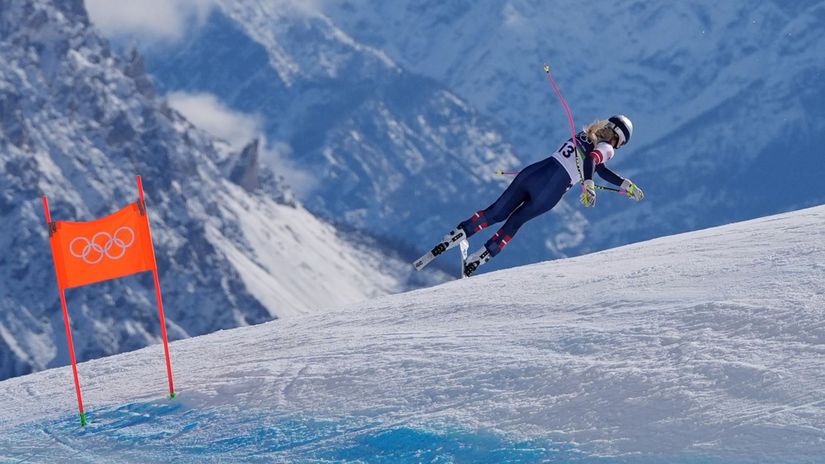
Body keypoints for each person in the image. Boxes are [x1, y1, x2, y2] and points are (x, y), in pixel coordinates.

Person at [418, 115, 644, 277]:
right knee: (515, 223)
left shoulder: (585, 134)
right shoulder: (608, 149)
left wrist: (624, 183)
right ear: (617, 139)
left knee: (496, 212)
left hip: (535, 173)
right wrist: (588, 184)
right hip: (550, 193)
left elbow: (596, 165)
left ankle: (457, 234)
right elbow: (592, 161)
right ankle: (480, 258)